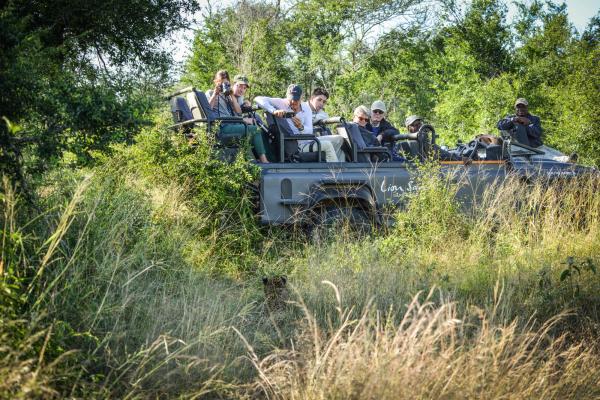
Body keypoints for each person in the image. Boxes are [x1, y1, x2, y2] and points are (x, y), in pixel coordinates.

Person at [254, 85, 342, 162]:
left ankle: (341, 167)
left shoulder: (306, 108)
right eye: (291, 100)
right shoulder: (281, 103)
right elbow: (258, 99)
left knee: (339, 139)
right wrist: (274, 111)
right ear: (287, 97)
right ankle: (338, 177)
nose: (293, 102)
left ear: (301, 98)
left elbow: (310, 131)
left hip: (309, 140)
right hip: (298, 145)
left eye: (296, 100)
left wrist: (301, 127)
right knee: (327, 145)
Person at [206, 70, 270, 163]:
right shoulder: (210, 92)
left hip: (231, 124)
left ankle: (254, 159)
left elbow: (238, 111)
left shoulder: (228, 96)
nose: (223, 85)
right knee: (254, 130)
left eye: (226, 83)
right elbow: (208, 109)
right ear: (216, 82)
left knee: (255, 125)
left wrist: (231, 94)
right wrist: (215, 94)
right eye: (221, 83)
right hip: (222, 126)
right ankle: (264, 161)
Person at [497, 98, 570, 161]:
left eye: (523, 107)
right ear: (515, 108)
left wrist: (527, 125)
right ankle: (566, 160)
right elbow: (499, 125)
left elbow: (537, 133)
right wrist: (514, 119)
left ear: (527, 107)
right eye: (518, 107)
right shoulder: (511, 118)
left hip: (537, 147)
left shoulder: (534, 119)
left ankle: (569, 160)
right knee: (553, 158)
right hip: (523, 150)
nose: (521, 109)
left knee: (559, 154)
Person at [308, 87, 346, 162]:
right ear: (312, 98)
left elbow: (325, 116)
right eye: (319, 100)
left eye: (324, 102)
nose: (321, 104)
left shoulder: (320, 112)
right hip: (305, 140)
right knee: (336, 140)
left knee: (340, 140)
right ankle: (335, 168)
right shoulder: (303, 107)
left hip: (314, 138)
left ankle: (342, 167)